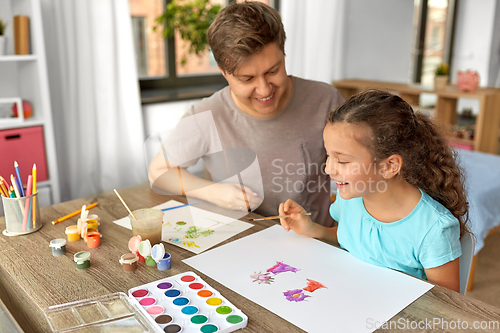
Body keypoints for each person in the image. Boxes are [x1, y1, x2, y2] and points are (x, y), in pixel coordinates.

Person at [149, 1, 343, 226]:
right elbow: (158, 171)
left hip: (313, 239)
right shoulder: (207, 115)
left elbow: (360, 171)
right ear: (223, 72)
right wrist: (213, 192)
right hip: (239, 239)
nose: (264, 90)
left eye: (273, 70)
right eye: (247, 79)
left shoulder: (325, 100)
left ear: (283, 54)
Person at [278, 90, 469, 292]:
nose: (328, 169)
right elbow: (351, 239)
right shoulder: (352, 198)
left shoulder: (433, 229)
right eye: (328, 156)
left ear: (389, 166)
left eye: (342, 161)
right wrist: (311, 229)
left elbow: (447, 306)